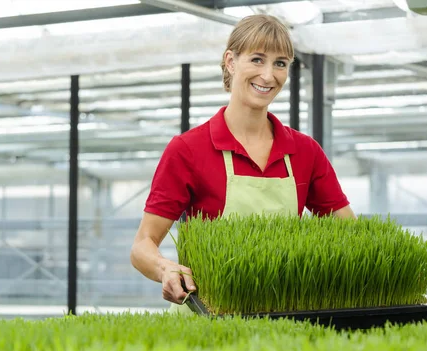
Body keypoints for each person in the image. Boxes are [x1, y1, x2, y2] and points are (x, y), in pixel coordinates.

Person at [130, 14, 356, 314]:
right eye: (257, 59)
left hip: (284, 318)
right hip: (205, 320)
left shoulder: (305, 152)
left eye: (280, 63)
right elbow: (142, 245)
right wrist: (165, 269)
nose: (268, 75)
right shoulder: (187, 150)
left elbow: (352, 235)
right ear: (231, 61)